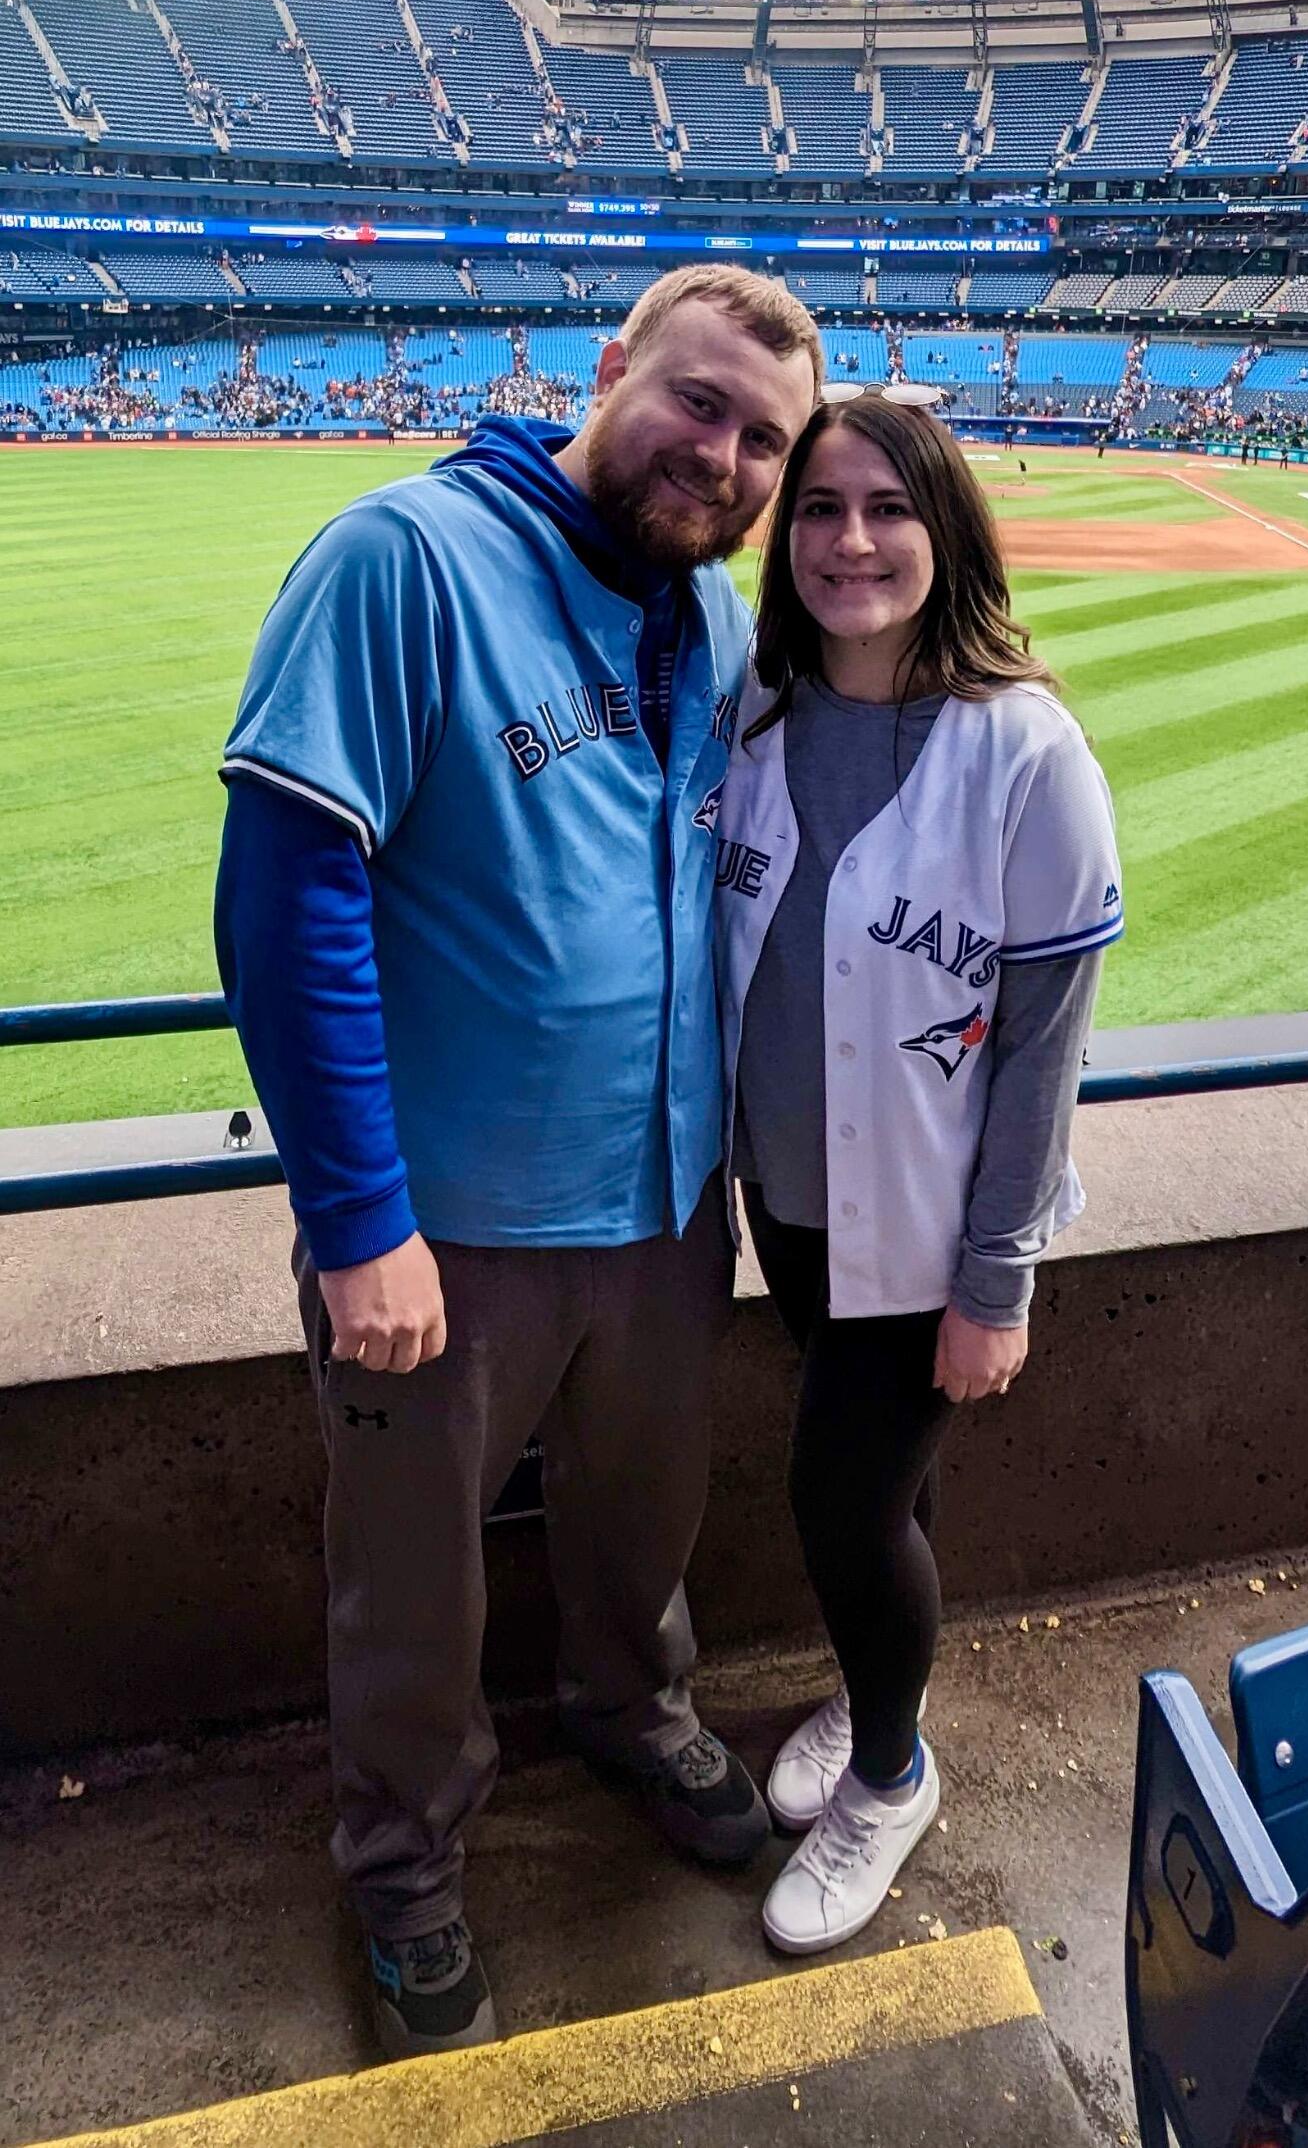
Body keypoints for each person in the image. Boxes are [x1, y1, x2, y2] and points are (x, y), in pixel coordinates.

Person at [214, 265, 822, 2054]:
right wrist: (355, 1223)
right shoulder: (401, 559)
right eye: (696, 403)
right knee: (413, 1583)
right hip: (444, 1231)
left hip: (655, 1204)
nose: (719, 455)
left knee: (642, 1525)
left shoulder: (709, 621)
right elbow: (286, 895)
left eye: (759, 440)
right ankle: (402, 1870)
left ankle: (632, 1716)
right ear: (609, 364)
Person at [715, 396, 1122, 1956]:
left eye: (888, 508)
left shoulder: (1024, 747)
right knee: (884, 1486)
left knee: (838, 1493)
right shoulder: (753, 710)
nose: (850, 541)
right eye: (817, 508)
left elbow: (1039, 1052)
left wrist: (993, 1280)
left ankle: (892, 1770)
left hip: (938, 1215)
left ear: (945, 529)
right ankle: (873, 1685)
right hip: (795, 1200)